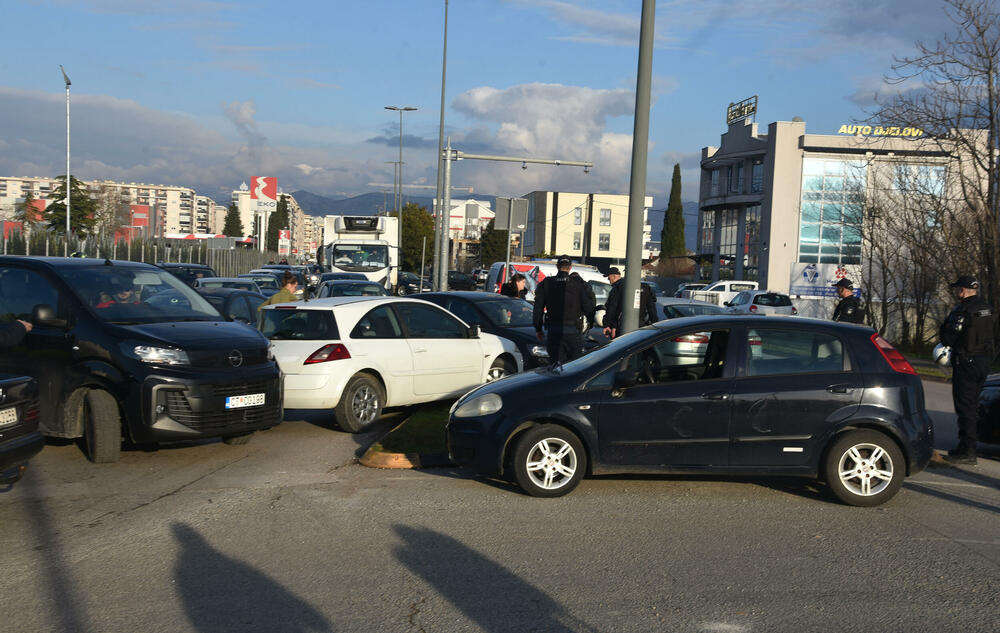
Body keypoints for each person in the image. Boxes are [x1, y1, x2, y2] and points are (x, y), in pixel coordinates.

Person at [939, 275, 995, 465]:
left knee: (965, 406)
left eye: (957, 289)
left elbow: (949, 337)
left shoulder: (963, 310)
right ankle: (968, 446)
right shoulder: (988, 309)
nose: (957, 292)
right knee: (973, 405)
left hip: (966, 362)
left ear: (962, 290)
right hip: (984, 362)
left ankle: (967, 450)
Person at [532, 255, 595, 363]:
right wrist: (591, 322)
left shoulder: (547, 283)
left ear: (557, 266)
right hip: (574, 331)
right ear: (570, 267)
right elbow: (588, 306)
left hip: (554, 330)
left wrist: (538, 328)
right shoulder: (578, 284)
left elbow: (538, 308)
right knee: (575, 366)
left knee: (555, 366)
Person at [602, 267, 658, 339]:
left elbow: (612, 308)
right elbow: (652, 309)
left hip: (622, 326)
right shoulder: (645, 287)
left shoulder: (618, 287)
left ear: (614, 276)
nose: (608, 280)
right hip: (641, 326)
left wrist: (608, 325)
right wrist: (655, 324)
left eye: (609, 278)